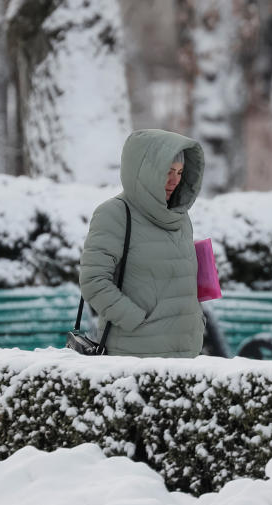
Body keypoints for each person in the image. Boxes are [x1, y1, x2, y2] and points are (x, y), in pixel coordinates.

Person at [79, 129, 205, 357]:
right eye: (167, 171)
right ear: (146, 171)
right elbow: (93, 281)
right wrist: (136, 320)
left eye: (179, 172)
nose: (175, 181)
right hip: (135, 355)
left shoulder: (180, 217)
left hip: (186, 355)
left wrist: (197, 319)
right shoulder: (115, 214)